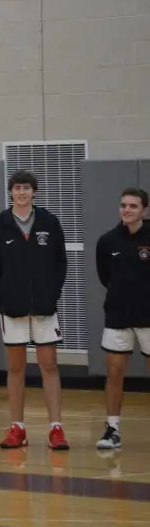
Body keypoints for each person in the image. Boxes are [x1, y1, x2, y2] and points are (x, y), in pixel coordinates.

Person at [0, 170, 69, 450]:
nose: (22, 192)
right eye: (17, 187)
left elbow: (61, 264)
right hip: (13, 310)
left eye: (27, 188)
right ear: (11, 192)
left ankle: (56, 428)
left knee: (49, 366)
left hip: (45, 308)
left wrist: (51, 294)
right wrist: (6, 296)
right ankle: (17, 428)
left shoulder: (49, 222)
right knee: (16, 368)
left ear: (34, 192)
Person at [94, 187, 150, 450]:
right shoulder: (107, 241)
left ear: (144, 210)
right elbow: (105, 277)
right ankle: (112, 429)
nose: (127, 210)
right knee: (114, 371)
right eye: (124, 205)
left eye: (133, 206)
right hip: (117, 315)